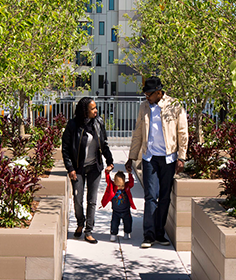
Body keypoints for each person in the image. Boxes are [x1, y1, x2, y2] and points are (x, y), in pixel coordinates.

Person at [126, 76, 188, 249]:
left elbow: (183, 132)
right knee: (150, 196)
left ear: (159, 93)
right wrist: (131, 157)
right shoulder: (144, 107)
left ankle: (160, 233)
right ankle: (149, 235)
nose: (146, 97)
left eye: (149, 94)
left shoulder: (175, 105)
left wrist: (181, 157)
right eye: (145, 94)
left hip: (168, 158)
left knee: (164, 197)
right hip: (149, 158)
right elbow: (138, 133)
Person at [61, 96, 113, 244]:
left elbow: (104, 144)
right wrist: (70, 167)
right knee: (78, 200)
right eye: (92, 109)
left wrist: (110, 161)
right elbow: (65, 148)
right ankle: (80, 223)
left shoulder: (98, 122)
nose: (96, 111)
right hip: (77, 168)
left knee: (92, 200)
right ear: (85, 111)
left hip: (94, 167)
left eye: (96, 108)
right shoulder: (72, 125)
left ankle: (88, 231)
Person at [101, 168, 136, 241]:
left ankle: (127, 233)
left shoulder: (126, 187)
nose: (120, 187)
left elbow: (131, 183)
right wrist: (107, 173)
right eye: (118, 185)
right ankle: (113, 234)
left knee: (128, 222)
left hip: (126, 210)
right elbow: (108, 181)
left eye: (122, 185)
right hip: (116, 211)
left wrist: (130, 174)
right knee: (114, 223)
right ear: (114, 183)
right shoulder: (112, 187)